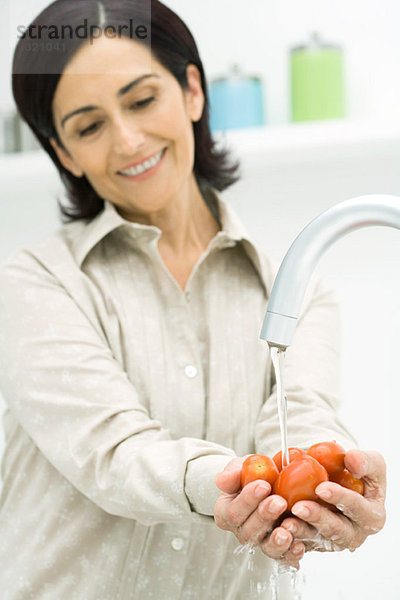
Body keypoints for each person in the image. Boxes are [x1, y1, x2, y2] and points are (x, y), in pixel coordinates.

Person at [0, 1, 386, 598]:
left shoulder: (294, 286)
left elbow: (300, 419)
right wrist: (231, 487)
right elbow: (114, 453)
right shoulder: (37, 283)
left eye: (141, 99)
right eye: (88, 125)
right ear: (64, 153)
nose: (128, 140)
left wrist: (334, 482)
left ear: (192, 92)